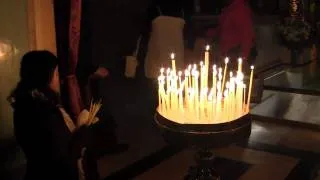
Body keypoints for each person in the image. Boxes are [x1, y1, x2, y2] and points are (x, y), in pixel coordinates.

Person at [9, 51, 99, 180]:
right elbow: (61, 156)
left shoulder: (29, 103)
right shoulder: (40, 111)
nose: (59, 79)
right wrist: (83, 132)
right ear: (44, 76)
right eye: (56, 73)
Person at [206, 0, 256, 72]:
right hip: (228, 54)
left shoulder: (240, 9)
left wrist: (243, 59)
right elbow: (222, 30)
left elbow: (247, 35)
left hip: (236, 55)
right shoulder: (230, 9)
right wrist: (207, 34)